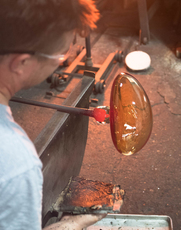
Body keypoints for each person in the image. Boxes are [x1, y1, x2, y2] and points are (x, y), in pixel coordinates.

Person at [0, 0, 106, 229]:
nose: (62, 61)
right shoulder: (16, 164)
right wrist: (69, 226)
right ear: (22, 62)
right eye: (60, 55)